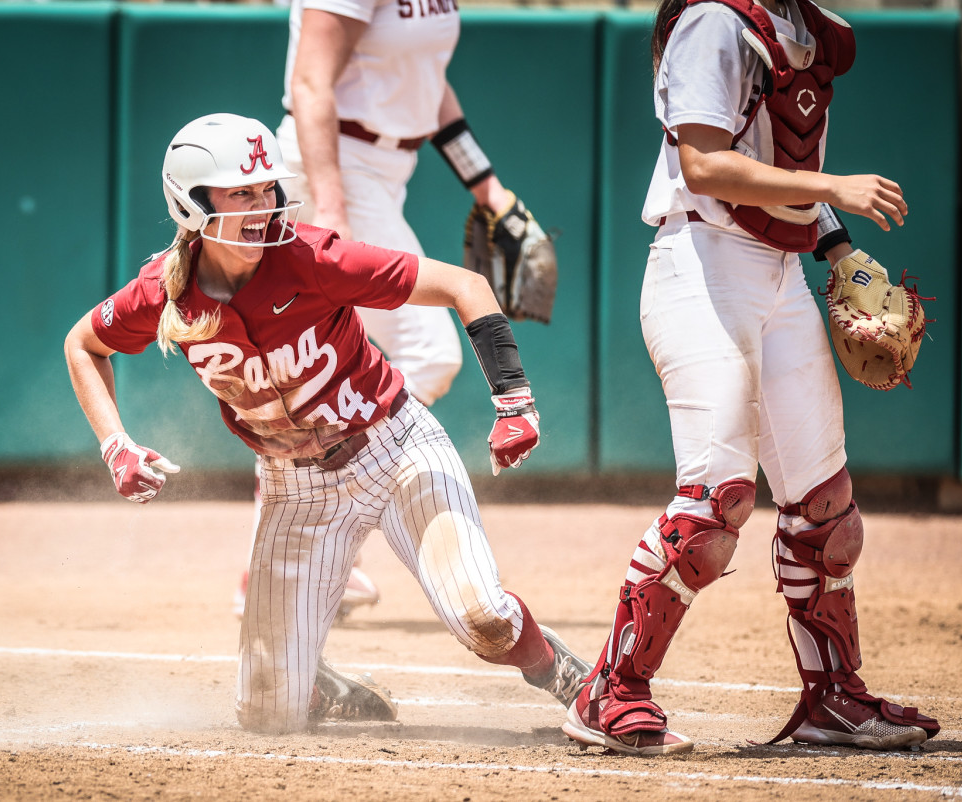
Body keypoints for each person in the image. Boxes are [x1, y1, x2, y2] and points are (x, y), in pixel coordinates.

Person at [64, 112, 589, 733]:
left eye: (267, 189)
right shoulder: (164, 290)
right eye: (242, 192)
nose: (263, 205)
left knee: (483, 619)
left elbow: (465, 284)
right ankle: (314, 684)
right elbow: (83, 344)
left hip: (394, 449)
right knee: (266, 714)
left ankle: (582, 685)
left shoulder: (312, 256)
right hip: (295, 489)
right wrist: (115, 445)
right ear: (191, 202)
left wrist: (513, 400)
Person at [561, 0, 942, 757]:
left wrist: (837, 250)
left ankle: (833, 698)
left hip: (781, 272)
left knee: (826, 512)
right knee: (714, 506)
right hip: (701, 266)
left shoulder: (803, 24)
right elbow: (704, 162)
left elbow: (788, 169)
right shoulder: (713, 19)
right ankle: (611, 691)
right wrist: (837, 191)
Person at [227, 0, 540, 619]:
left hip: (385, 170)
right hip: (334, 167)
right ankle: (300, 500)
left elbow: (426, 79)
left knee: (346, 368)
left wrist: (488, 187)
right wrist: (333, 215)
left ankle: (300, 518)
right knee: (432, 351)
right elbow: (311, 83)